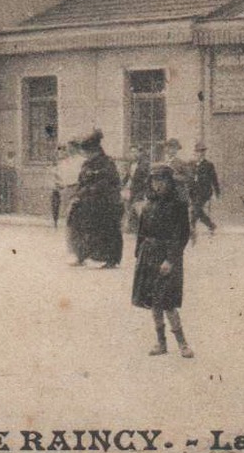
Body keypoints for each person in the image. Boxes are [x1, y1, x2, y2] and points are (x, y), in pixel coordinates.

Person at [132, 164, 193, 358]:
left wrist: (170, 260)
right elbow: (141, 233)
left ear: (170, 182)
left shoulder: (178, 206)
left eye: (162, 180)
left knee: (167, 302)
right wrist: (138, 255)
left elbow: (181, 236)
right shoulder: (148, 204)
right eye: (154, 181)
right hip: (148, 256)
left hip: (167, 257)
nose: (158, 185)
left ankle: (182, 343)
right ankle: (161, 343)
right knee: (153, 302)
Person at [66, 129, 124, 268]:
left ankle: (109, 258)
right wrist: (77, 195)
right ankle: (81, 255)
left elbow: (107, 183)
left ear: (95, 150)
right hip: (88, 201)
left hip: (105, 202)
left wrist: (86, 192)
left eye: (88, 151)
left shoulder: (107, 163)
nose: (86, 154)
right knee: (79, 224)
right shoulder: (86, 164)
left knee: (106, 229)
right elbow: (81, 182)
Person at [186, 141, 221, 237]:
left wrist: (217, 192)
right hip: (193, 192)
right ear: (195, 152)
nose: (200, 153)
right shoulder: (190, 164)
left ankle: (191, 228)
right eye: (198, 151)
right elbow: (188, 177)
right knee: (197, 210)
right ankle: (211, 225)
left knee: (195, 209)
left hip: (204, 192)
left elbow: (214, 179)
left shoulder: (208, 165)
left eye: (202, 151)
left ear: (204, 153)